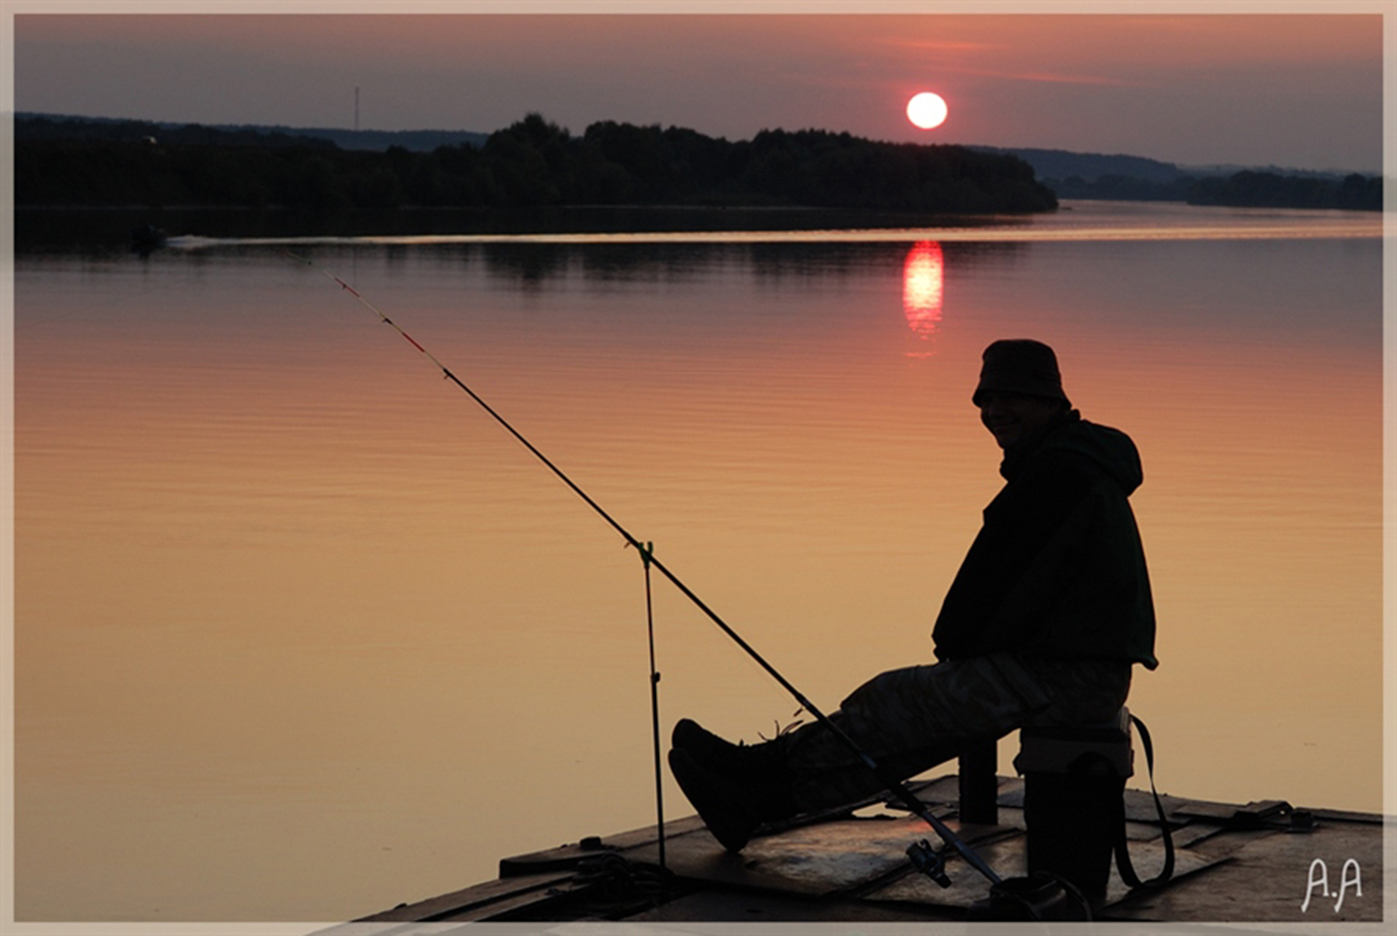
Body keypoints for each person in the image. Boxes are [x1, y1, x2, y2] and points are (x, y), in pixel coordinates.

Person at [668, 338, 1158, 852]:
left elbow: (990, 596)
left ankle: (759, 767)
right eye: (985, 401)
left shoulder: (1058, 476)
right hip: (1071, 668)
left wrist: (956, 654)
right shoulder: (1074, 463)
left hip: (1072, 676)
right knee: (916, 734)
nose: (993, 413)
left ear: (1050, 400)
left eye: (1009, 399)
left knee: (896, 701)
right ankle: (758, 804)